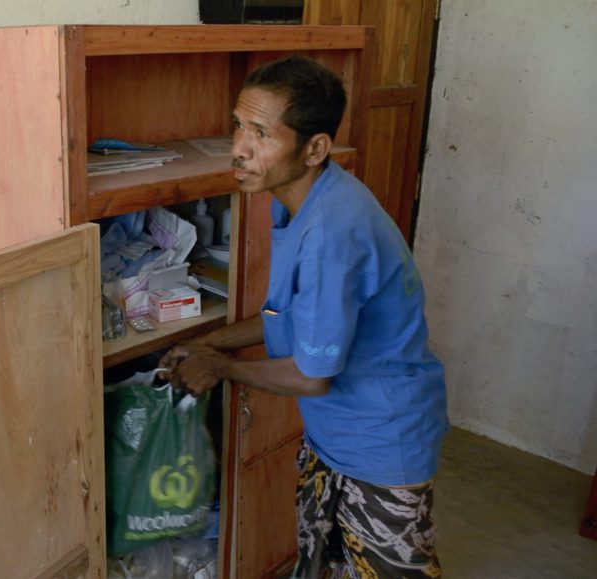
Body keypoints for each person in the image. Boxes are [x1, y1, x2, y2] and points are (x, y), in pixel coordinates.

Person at [160, 56, 448, 578]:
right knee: (323, 565)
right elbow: (288, 315)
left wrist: (220, 367)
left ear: (314, 148)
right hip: (334, 437)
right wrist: (214, 343)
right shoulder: (303, 201)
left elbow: (312, 377)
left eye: (262, 134)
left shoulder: (333, 234)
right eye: (238, 125)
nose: (238, 149)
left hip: (380, 443)